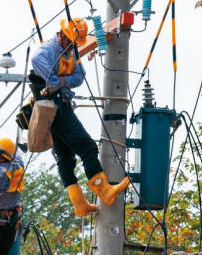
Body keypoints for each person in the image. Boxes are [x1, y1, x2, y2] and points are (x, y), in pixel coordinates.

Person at [30, 17, 129, 217]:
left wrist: (61, 82)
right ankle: (104, 191)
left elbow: (79, 77)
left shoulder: (71, 51)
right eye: (71, 42)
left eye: (76, 44)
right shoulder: (46, 52)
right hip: (55, 106)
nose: (73, 47)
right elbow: (43, 70)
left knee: (66, 158)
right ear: (62, 35)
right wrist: (60, 82)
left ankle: (79, 205)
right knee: (87, 147)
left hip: (58, 104)